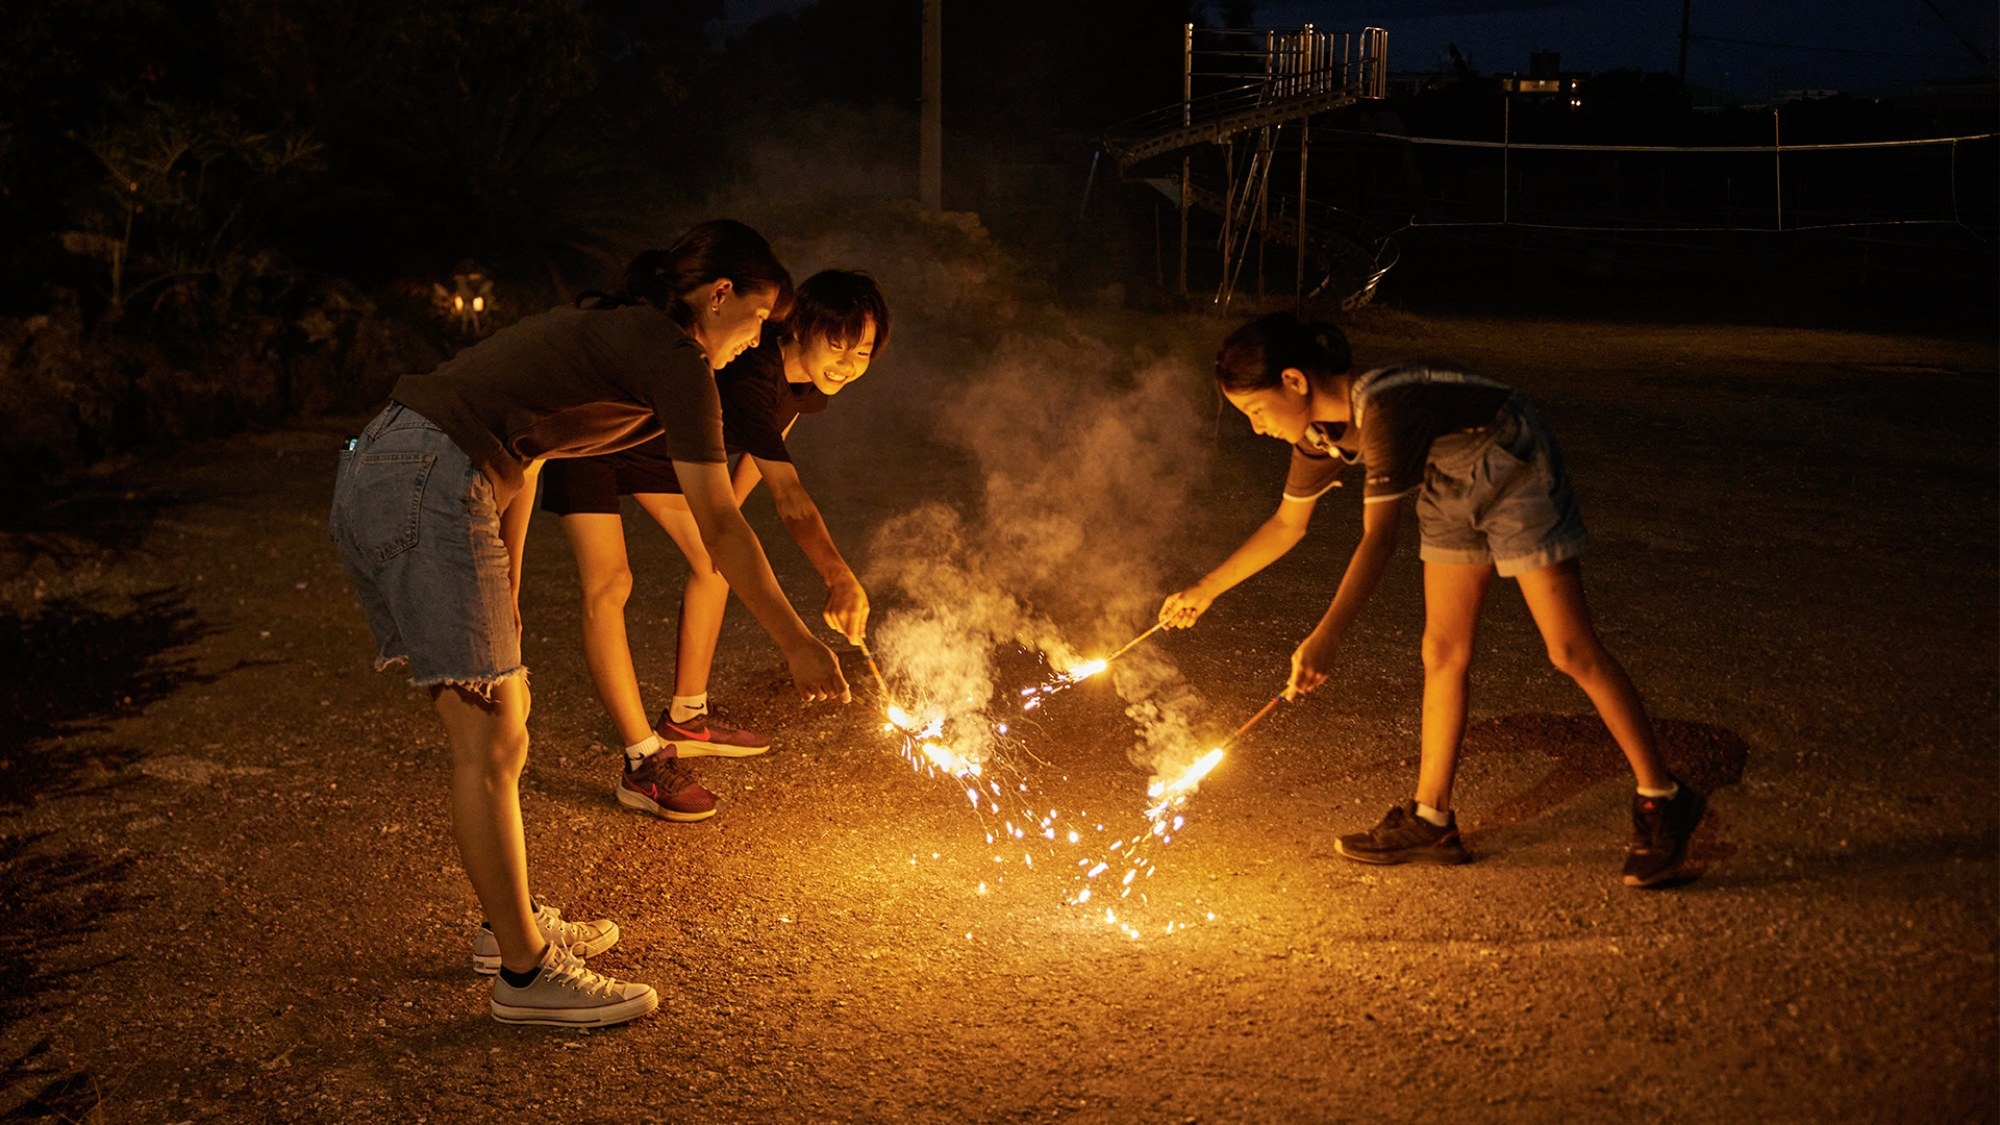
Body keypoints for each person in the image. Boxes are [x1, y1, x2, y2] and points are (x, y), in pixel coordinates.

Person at [328, 220, 850, 1027]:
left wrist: (505, 581)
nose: (757, 339)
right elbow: (719, 522)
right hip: (428, 471)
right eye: (755, 317)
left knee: (509, 722)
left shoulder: (627, 343)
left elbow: (531, 455)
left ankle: (510, 927)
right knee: (490, 741)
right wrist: (795, 641)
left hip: (398, 464)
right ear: (719, 296)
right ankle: (527, 975)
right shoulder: (673, 357)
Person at [1158, 312, 1702, 888]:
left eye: (1257, 410)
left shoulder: (1385, 409)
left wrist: (1328, 635)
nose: (1257, 427)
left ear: (1295, 381)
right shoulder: (1318, 436)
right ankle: (1432, 818)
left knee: (1569, 649)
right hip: (1447, 476)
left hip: (1509, 457)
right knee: (1441, 650)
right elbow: (1288, 525)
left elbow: (1379, 538)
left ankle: (1661, 796)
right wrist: (1205, 591)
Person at [539, 270, 890, 820]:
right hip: (591, 439)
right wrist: (838, 577)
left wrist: (725, 527)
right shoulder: (752, 374)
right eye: (838, 345)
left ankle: (686, 717)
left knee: (715, 564)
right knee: (610, 583)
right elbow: (791, 499)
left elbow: (758, 454)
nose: (847, 364)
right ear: (799, 328)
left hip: (657, 453)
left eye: (863, 351)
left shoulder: (804, 386)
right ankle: (642, 763)